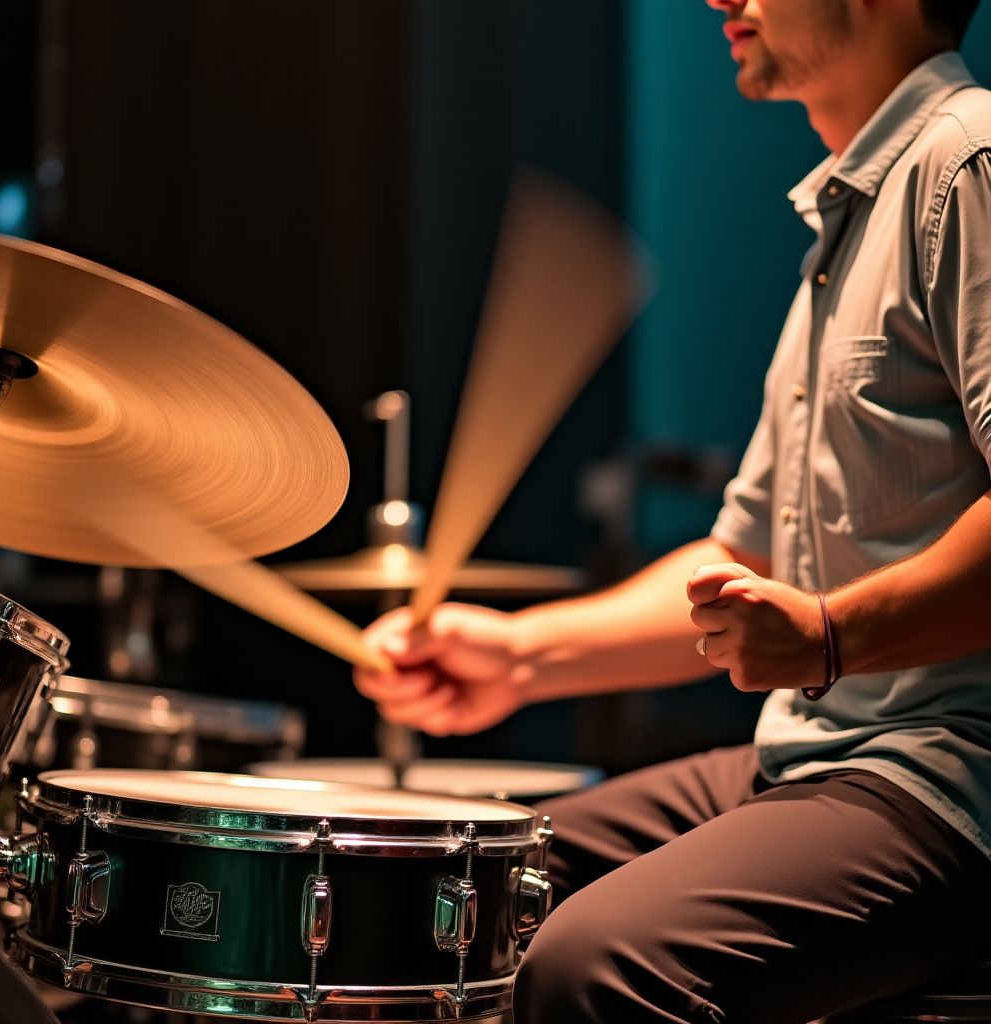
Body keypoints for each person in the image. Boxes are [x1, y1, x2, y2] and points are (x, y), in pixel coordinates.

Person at [354, 1, 991, 1021]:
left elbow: (813, 615)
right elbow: (745, 558)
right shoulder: (851, 215)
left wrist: (830, 634)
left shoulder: (967, 162)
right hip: (811, 754)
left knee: (593, 966)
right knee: (459, 886)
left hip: (950, 775)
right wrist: (519, 656)